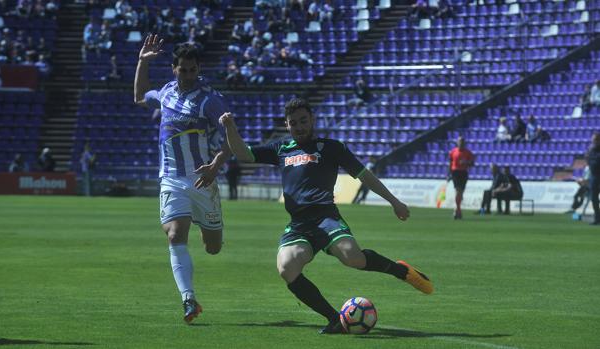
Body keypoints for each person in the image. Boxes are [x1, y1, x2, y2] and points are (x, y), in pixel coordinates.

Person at [219, 98, 433, 335]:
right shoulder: (281, 149)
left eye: (303, 120)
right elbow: (243, 154)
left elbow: (364, 175)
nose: (299, 126)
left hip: (326, 218)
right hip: (299, 225)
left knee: (353, 258)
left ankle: (401, 271)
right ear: (287, 126)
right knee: (286, 268)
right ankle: (335, 319)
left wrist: (395, 202)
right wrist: (230, 126)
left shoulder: (332, 147)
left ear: (312, 120)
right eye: (293, 123)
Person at [134, 35, 232, 323]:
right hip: (172, 179)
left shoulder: (209, 101)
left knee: (212, 248)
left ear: (198, 69)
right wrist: (142, 62)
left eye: (193, 69)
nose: (188, 74)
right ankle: (189, 299)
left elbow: (233, 138)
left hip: (203, 180)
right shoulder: (164, 94)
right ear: (174, 69)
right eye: (183, 69)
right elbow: (140, 97)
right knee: (175, 234)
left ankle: (209, 226)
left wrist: (216, 164)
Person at [448, 136, 474, 219]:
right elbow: (450, 163)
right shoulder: (453, 152)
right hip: (455, 172)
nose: (461, 143)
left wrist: (466, 162)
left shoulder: (468, 152)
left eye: (462, 142)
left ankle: (457, 209)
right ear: (457, 142)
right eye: (459, 141)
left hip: (463, 172)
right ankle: (457, 210)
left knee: (461, 192)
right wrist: (448, 174)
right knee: (458, 190)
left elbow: (472, 163)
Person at [585, 132, 600, 225]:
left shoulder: (594, 150)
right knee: (594, 198)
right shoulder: (591, 150)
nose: (593, 141)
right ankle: (597, 218)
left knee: (594, 198)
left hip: (596, 175)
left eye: (594, 139)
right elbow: (588, 159)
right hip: (594, 176)